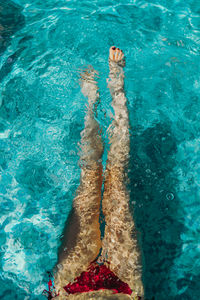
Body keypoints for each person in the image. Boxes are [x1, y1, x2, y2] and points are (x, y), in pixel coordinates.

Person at [47, 47, 144, 299]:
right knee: (116, 176)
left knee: (91, 177)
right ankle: (116, 86)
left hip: (71, 289)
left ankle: (91, 101)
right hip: (123, 289)